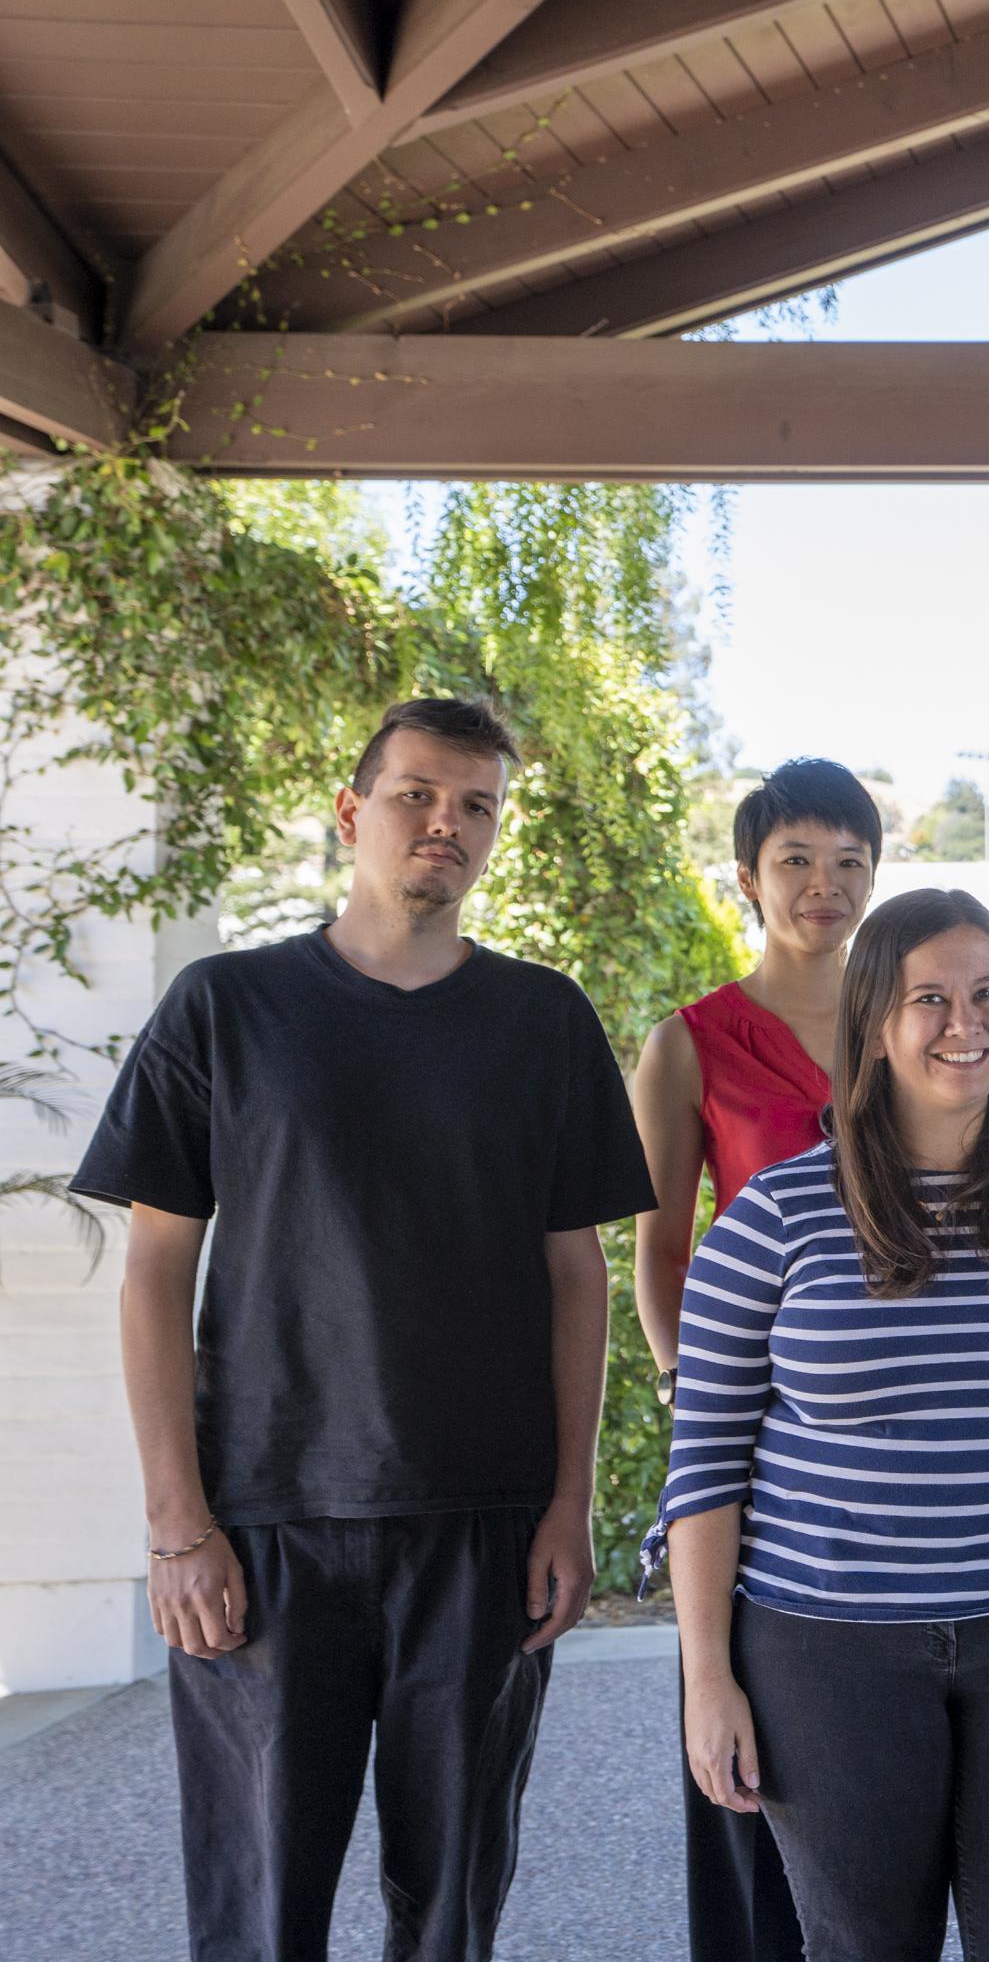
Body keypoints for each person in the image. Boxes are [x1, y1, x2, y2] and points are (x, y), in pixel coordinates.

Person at [76, 697, 656, 1962]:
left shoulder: (544, 1021)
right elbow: (154, 1271)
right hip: (268, 1521)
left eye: (476, 804)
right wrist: (178, 1524)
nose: (445, 823)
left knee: (448, 1913)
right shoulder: (223, 1008)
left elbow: (579, 1275)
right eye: (417, 794)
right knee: (259, 1907)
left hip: (482, 1521)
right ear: (352, 812)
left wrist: (569, 1505)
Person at [653, 888, 989, 1962]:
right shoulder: (777, 1218)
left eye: (988, 993)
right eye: (928, 997)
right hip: (827, 1658)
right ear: (876, 1024)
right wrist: (709, 1676)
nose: (964, 1022)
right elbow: (703, 1469)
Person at [626, 757, 882, 1962]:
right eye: (797, 861)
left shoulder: (919, 1025)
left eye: (847, 862)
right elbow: (660, 1254)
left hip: (902, 1440)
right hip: (760, 1436)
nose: (823, 885)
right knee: (746, 1745)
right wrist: (701, 1410)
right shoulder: (689, 1044)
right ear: (748, 877)